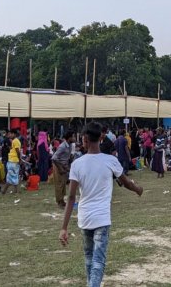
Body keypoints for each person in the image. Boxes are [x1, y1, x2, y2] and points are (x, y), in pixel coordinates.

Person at [59, 122, 143, 287]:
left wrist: (64, 228)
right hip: (102, 219)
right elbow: (126, 182)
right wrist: (138, 189)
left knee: (89, 258)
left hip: (85, 219)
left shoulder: (77, 164)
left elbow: (71, 197)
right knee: (98, 260)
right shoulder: (110, 161)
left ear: (85, 139)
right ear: (101, 138)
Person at [52, 131, 75, 208]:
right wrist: (60, 168)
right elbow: (54, 158)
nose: (74, 138)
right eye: (73, 136)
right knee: (59, 184)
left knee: (63, 184)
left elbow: (67, 156)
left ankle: (61, 200)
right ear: (69, 138)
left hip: (64, 165)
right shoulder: (62, 146)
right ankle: (59, 202)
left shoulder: (70, 145)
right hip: (58, 165)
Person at [2, 129, 22, 195]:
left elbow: (17, 151)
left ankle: (4, 191)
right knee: (13, 176)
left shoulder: (16, 141)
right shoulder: (14, 141)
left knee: (11, 176)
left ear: (14, 134)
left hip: (13, 161)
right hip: (12, 160)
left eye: (10, 134)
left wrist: (19, 159)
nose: (9, 135)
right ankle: (15, 191)